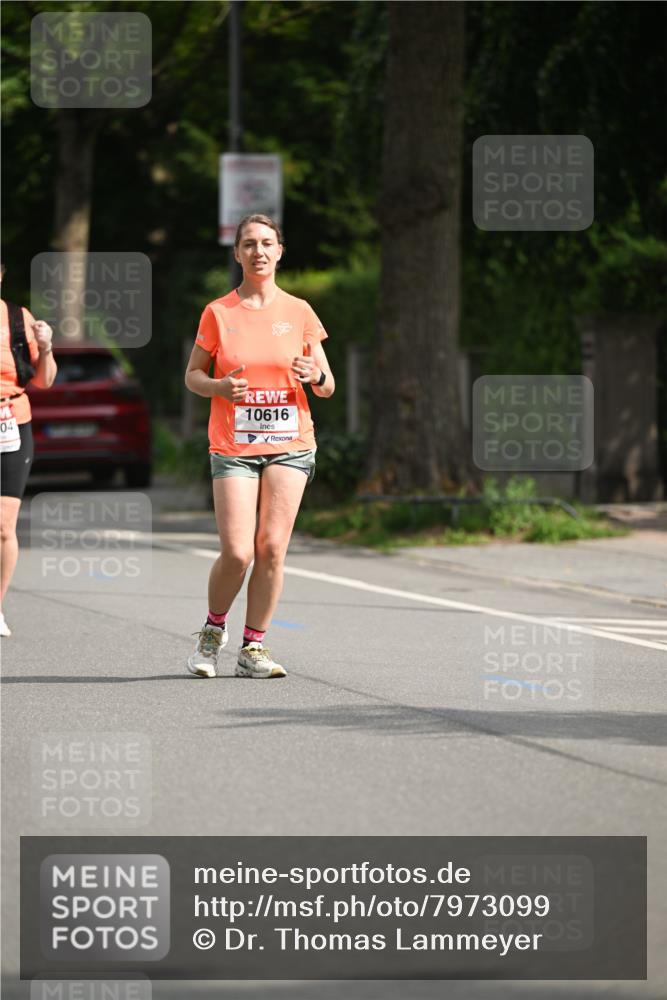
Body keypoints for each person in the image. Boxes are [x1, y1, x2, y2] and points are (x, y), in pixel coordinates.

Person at [184, 214, 334, 678]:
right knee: (238, 551)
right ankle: (212, 631)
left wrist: (316, 376)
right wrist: (220, 389)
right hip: (232, 445)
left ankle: (254, 648)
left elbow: (327, 385)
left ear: (280, 251)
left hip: (291, 442)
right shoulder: (218, 312)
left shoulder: (300, 311)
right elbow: (193, 377)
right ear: (237, 254)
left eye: (267, 243)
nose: (259, 251)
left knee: (271, 547)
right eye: (249, 244)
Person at [0, 264, 57, 637]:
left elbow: (45, 380)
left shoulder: (19, 319)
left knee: (4, 526)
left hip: (11, 424)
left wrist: (48, 347)